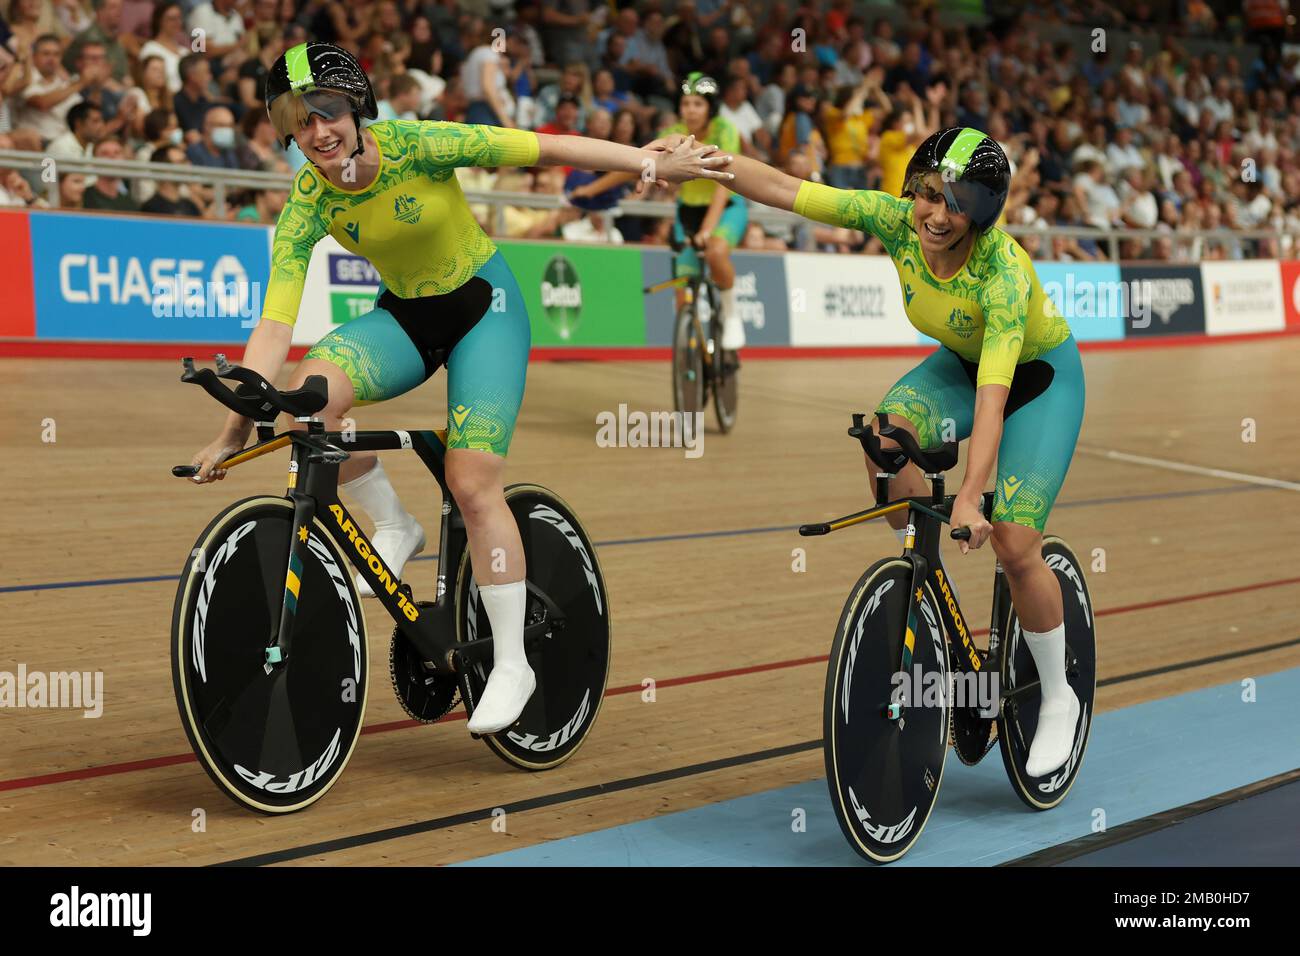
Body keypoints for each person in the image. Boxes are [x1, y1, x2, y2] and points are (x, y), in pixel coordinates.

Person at [187, 42, 730, 736]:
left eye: (327, 111)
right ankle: (395, 523)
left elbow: (542, 145)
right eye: (299, 119)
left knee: (471, 482)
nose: (317, 132)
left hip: (485, 312)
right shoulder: (308, 199)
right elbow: (274, 322)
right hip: (407, 318)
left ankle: (512, 662)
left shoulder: (420, 143)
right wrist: (235, 427)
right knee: (306, 404)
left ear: (358, 108)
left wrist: (653, 163)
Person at [705, 126, 1086, 777]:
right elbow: (788, 191)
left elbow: (994, 398)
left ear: (983, 213)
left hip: (1037, 381)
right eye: (928, 196)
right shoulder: (896, 221)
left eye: (955, 203)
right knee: (884, 436)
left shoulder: (1002, 274)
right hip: (962, 367)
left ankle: (1058, 697)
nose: (936, 215)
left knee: (1016, 546)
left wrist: (970, 497)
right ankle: (922, 579)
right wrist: (711, 163)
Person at [571, 73, 747, 349]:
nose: (690, 109)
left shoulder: (724, 129)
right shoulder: (674, 133)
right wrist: (590, 191)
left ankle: (732, 315)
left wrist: (707, 229)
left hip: (725, 208)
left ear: (710, 108)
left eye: (698, 104)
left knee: (715, 251)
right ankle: (690, 353)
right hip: (688, 210)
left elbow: (724, 183)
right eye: (686, 103)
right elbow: (637, 165)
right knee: (682, 286)